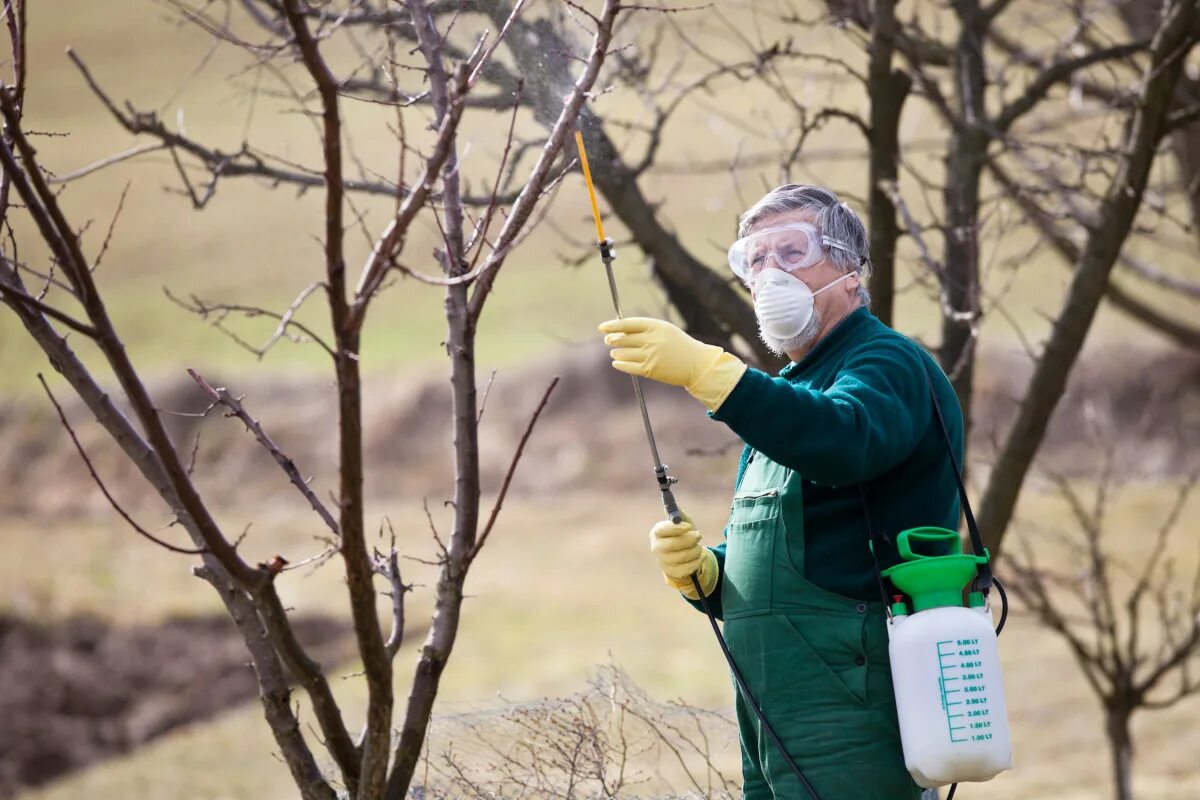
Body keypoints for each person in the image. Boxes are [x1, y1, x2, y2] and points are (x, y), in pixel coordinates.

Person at [599, 184, 964, 800]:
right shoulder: (789, 391)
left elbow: (843, 441)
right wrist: (715, 580)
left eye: (792, 252)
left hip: (857, 697)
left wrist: (709, 372)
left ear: (850, 271)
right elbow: (816, 535)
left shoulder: (887, 364)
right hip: (774, 704)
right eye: (754, 259)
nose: (771, 273)